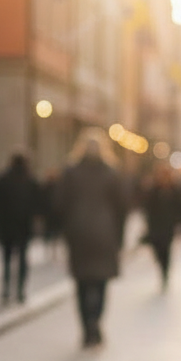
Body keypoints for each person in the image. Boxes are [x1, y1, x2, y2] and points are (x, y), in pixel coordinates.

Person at [55, 127, 129, 347]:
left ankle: (87, 327)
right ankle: (96, 322)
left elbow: (59, 204)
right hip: (105, 234)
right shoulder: (112, 172)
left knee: (82, 283)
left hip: (79, 234)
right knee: (101, 282)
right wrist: (120, 237)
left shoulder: (71, 172)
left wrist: (65, 231)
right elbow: (122, 207)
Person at [0, 152, 41, 304]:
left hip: (6, 225)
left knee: (6, 258)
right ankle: (20, 290)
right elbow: (38, 203)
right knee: (22, 258)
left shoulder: (2, 179)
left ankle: (6, 288)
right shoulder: (30, 180)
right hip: (23, 225)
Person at [142, 163, 181, 289]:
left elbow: (180, 207)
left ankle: (165, 272)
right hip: (155, 226)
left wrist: (179, 223)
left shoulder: (175, 190)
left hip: (168, 226)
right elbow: (147, 208)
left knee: (166, 250)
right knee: (157, 250)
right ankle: (161, 267)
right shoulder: (153, 190)